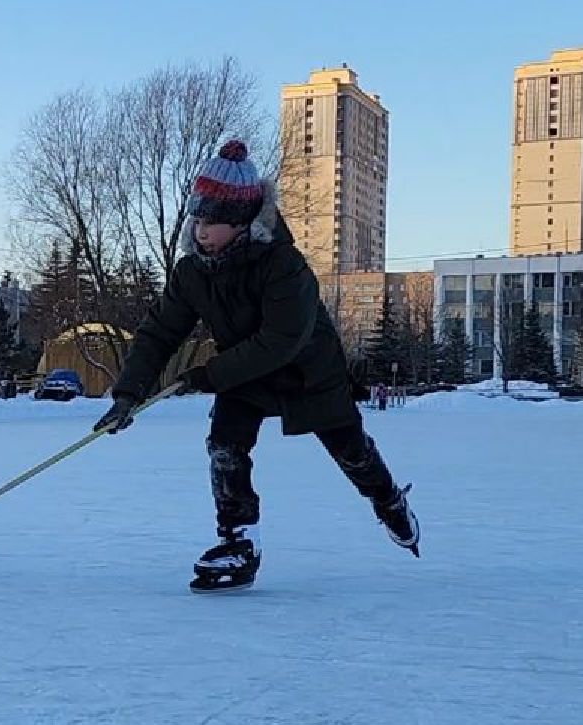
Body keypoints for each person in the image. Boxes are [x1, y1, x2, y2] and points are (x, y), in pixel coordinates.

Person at [92, 139, 420, 592]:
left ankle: (388, 501)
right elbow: (160, 332)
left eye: (214, 222)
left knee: (351, 451)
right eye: (198, 219)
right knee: (225, 447)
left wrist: (209, 375)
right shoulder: (193, 273)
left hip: (309, 372)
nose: (202, 231)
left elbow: (281, 341)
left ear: (243, 221)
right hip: (244, 375)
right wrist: (129, 393)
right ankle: (238, 541)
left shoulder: (284, 265)